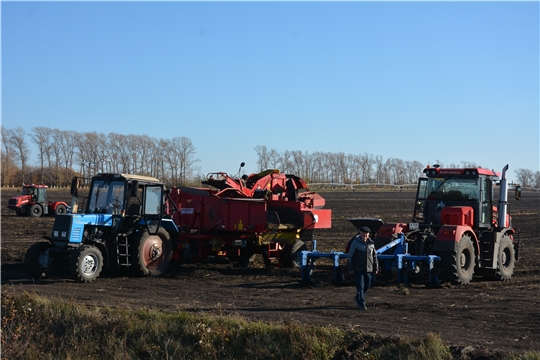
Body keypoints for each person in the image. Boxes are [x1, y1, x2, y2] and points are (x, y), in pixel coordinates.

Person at [347, 226, 378, 310]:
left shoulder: (371, 244)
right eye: (363, 233)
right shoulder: (355, 243)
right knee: (360, 286)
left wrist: (376, 268)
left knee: (367, 285)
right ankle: (361, 304)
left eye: (366, 233)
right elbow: (350, 256)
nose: (365, 235)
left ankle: (357, 297)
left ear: (369, 234)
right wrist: (351, 268)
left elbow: (374, 256)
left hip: (368, 269)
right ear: (360, 233)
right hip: (358, 269)